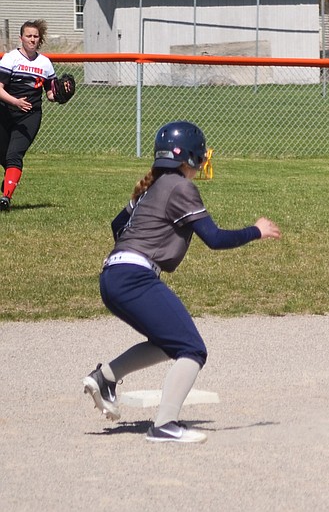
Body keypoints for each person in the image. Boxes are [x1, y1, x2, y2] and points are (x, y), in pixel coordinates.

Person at [82, 121, 281, 443]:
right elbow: (214, 239)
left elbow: (118, 224)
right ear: (192, 157)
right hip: (134, 277)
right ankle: (164, 425)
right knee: (191, 348)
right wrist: (255, 231)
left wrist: (137, 248)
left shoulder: (151, 186)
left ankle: (105, 378)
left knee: (167, 343)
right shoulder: (179, 186)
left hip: (113, 275)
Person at [0, 20, 58, 210]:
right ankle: (10, 179)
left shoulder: (45, 63)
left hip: (29, 116)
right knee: (5, 156)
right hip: (5, 112)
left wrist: (60, 95)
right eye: (28, 36)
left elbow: (50, 94)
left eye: (35, 36)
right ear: (21, 38)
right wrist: (15, 101)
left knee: (14, 155)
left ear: (39, 39)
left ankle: (6, 197)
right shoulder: (10, 58)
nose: (32, 40)